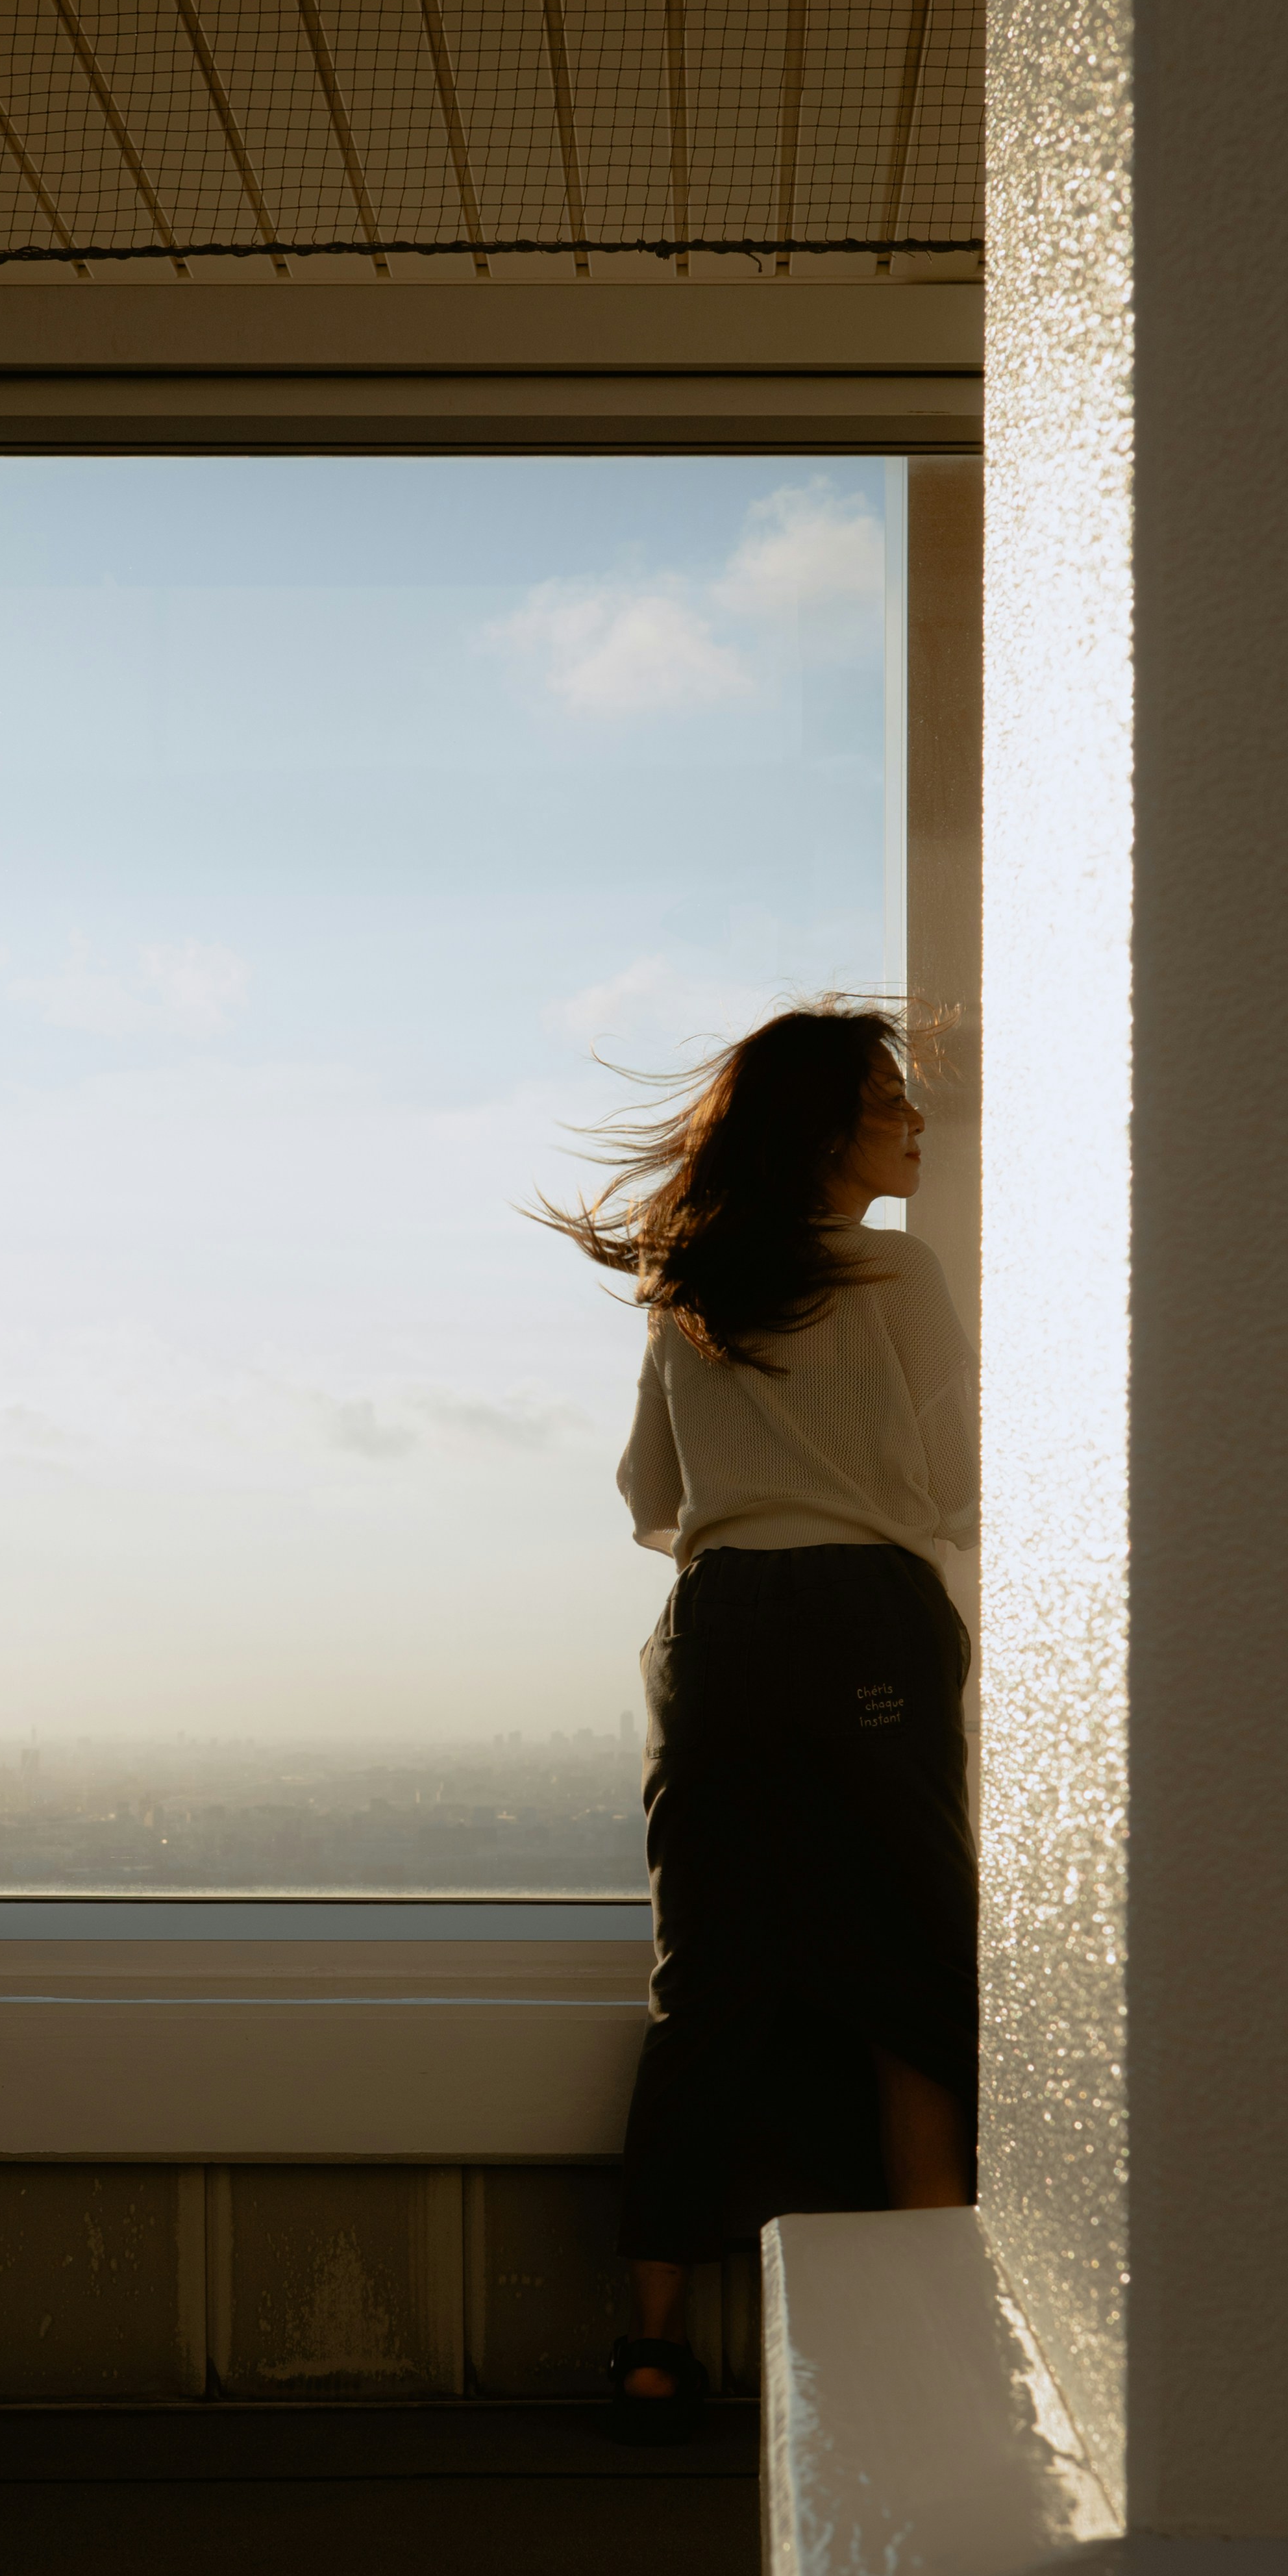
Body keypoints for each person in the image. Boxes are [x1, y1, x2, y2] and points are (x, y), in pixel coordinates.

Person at [539, 1001, 979, 2440]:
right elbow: (963, 1476)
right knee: (919, 1976)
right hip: (866, 1621)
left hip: (718, 1630)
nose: (914, 1122)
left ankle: (654, 2344)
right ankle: (933, 2330)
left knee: (708, 1981)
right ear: (825, 1127)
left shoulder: (694, 1276)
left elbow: (646, 1498)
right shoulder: (898, 1272)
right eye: (888, 1101)